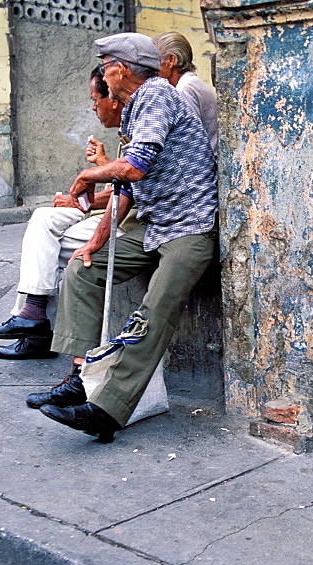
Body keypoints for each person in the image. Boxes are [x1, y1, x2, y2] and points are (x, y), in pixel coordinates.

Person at [26, 32, 217, 440]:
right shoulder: (135, 108)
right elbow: (127, 190)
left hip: (190, 225)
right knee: (82, 271)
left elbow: (134, 168)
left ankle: (107, 411)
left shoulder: (157, 95)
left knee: (153, 314)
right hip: (155, 223)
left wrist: (87, 174)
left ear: (119, 70)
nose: (104, 76)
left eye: (106, 66)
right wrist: (97, 241)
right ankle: (81, 376)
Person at [0, 67, 135, 359]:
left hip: (128, 221)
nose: (93, 106)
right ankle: (33, 316)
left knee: (44, 250)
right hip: (109, 211)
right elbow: (122, 182)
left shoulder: (143, 122)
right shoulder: (127, 126)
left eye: (96, 99)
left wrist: (96, 174)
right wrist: (88, 188)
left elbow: (130, 188)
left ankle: (34, 322)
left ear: (113, 99)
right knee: (42, 218)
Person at [154, 31, 218, 156]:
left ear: (171, 60)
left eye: (154, 60)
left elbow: (189, 143)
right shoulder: (189, 84)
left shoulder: (184, 89)